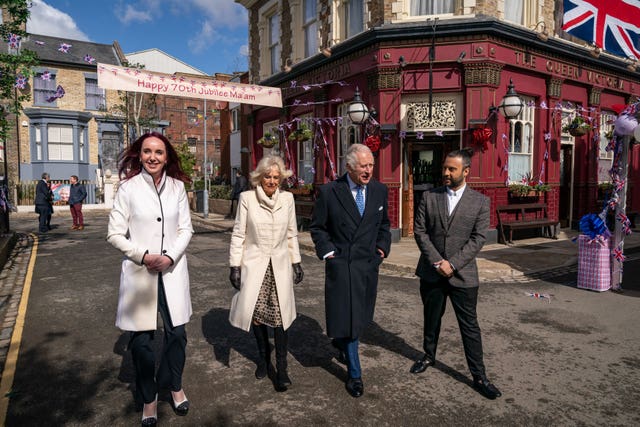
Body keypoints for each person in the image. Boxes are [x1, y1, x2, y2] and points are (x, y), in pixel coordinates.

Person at [107, 132, 194, 426]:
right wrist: (143, 256)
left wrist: (169, 257)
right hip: (140, 274)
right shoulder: (128, 189)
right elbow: (114, 234)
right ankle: (149, 398)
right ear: (139, 155)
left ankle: (174, 384)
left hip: (172, 270)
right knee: (142, 342)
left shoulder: (178, 188)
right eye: (147, 151)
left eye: (158, 152)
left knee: (177, 335)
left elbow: (186, 230)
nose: (153, 157)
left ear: (167, 156)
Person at [411, 148, 501, 400]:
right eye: (445, 168)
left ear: (466, 171)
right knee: (432, 319)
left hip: (463, 275)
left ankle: (479, 376)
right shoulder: (429, 196)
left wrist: (453, 264)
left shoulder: (481, 202)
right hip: (431, 272)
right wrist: (438, 262)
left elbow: (478, 238)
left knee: (469, 326)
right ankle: (428, 355)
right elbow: (420, 232)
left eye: (452, 169)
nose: (446, 173)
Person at [309, 143, 391, 398]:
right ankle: (354, 374)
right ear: (348, 168)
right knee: (352, 321)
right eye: (363, 167)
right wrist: (328, 252)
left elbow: (385, 224)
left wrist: (382, 248)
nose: (368, 171)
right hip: (342, 265)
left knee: (360, 317)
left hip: (367, 265)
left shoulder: (379, 190)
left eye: (371, 166)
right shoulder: (330, 192)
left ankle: (341, 342)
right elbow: (318, 228)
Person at [228, 155, 304, 392]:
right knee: (257, 315)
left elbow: (292, 233)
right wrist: (234, 266)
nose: (272, 181)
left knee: (282, 317)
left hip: (279, 266)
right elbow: (239, 233)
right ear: (259, 178)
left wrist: (296, 262)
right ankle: (263, 357)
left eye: (276, 177)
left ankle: (282, 369)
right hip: (255, 265)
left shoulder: (288, 199)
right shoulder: (247, 199)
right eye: (268, 177)